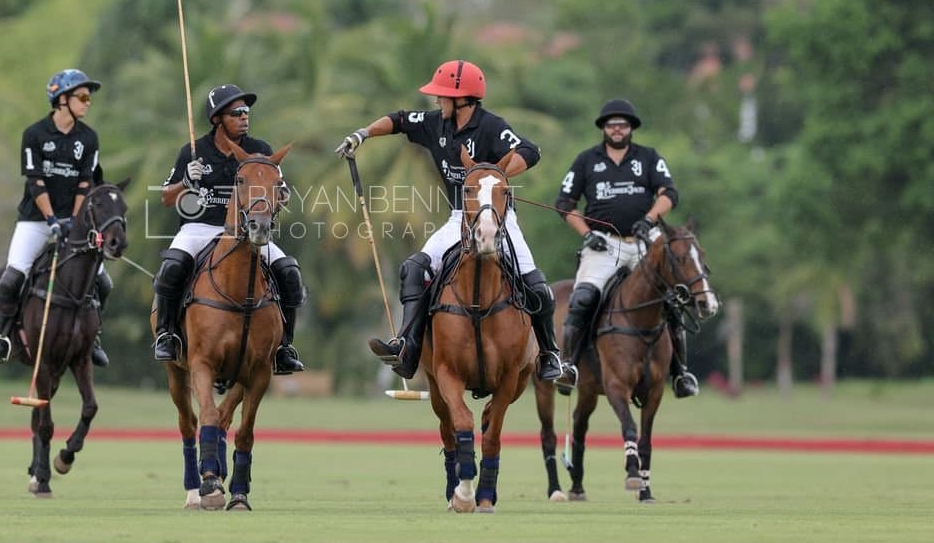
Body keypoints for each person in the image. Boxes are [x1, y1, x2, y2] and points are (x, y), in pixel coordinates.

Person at [335, 59, 563, 382]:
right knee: (414, 268)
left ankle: (550, 354)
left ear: (462, 100)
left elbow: (530, 150)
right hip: (460, 218)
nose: (436, 101)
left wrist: (492, 178)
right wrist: (363, 134)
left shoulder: (492, 127)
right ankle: (407, 346)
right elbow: (399, 120)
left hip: (499, 218)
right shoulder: (435, 124)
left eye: (442, 96)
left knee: (535, 283)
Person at [151, 83, 306, 375]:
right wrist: (186, 180)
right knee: (172, 265)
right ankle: (167, 334)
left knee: (288, 271)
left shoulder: (260, 150)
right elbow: (166, 198)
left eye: (247, 111)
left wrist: (280, 195)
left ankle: (285, 346)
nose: (245, 117)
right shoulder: (194, 151)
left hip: (246, 231)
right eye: (236, 112)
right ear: (217, 119)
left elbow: (280, 193)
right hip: (200, 228)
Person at [553, 98, 699, 398]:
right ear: (603, 128)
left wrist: (649, 219)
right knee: (582, 299)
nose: (617, 129)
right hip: (603, 244)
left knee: (671, 301)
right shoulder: (586, 161)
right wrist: (586, 234)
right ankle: (568, 365)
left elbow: (669, 193)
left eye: (622, 124)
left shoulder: (648, 157)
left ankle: (681, 372)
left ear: (631, 128)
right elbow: (565, 203)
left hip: (645, 242)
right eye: (611, 124)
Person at [0, 69, 112, 368]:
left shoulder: (88, 138)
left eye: (88, 97)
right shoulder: (35, 134)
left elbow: (85, 181)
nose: (87, 102)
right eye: (82, 96)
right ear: (62, 99)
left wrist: (76, 220)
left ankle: (93, 337)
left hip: (73, 223)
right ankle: (2, 336)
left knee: (103, 282)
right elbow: (36, 181)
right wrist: (53, 219)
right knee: (13, 276)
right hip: (35, 221)